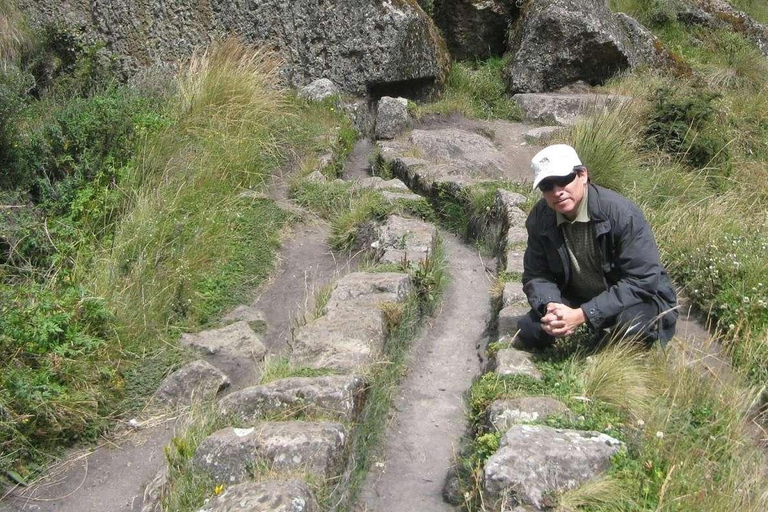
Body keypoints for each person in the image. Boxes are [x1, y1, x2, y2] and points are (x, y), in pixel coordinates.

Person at [518, 144, 677, 349]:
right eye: (547, 186)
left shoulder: (622, 215)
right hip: (579, 296)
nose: (557, 191)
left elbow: (642, 281)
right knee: (529, 330)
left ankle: (602, 339)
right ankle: (592, 333)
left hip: (634, 300)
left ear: (582, 175)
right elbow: (536, 274)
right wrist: (551, 306)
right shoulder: (540, 218)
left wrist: (583, 314)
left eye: (564, 180)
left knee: (631, 327)